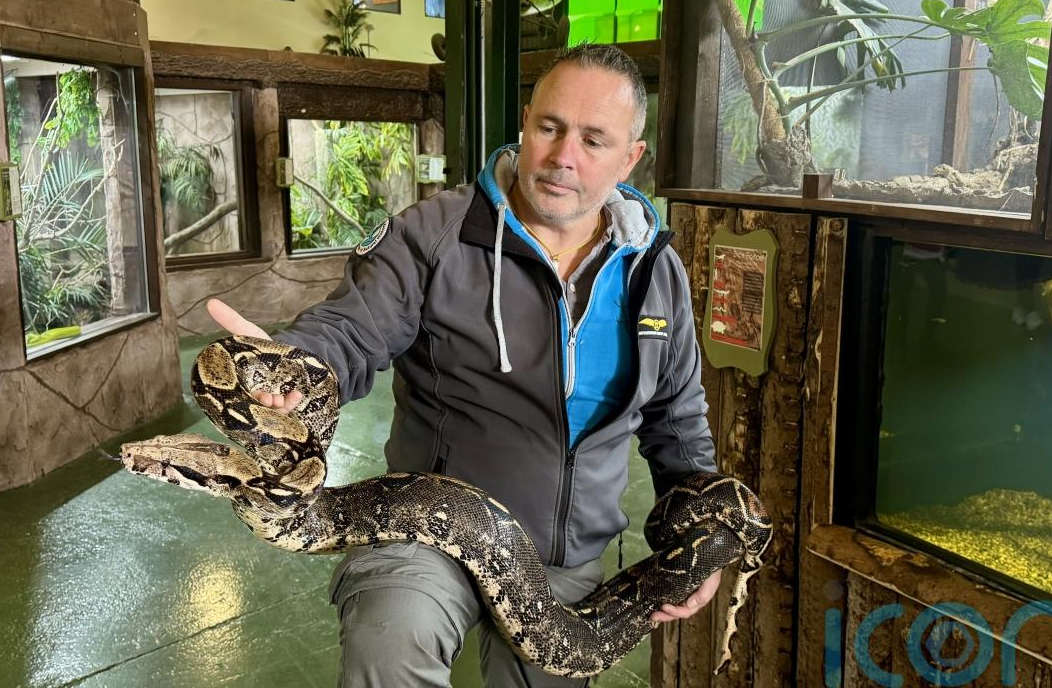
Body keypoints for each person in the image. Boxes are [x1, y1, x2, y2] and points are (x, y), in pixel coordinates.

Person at [207, 42, 720, 688]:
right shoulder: (434, 234)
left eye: (594, 141)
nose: (563, 156)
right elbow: (352, 326)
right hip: (423, 528)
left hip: (565, 553)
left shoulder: (655, 272)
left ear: (630, 157)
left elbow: (678, 424)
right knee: (391, 640)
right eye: (550, 127)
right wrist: (295, 364)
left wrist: (702, 537)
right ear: (526, 122)